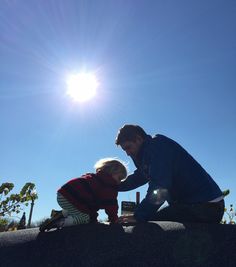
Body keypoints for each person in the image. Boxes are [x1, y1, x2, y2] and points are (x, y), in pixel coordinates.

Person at [116, 124, 225, 224]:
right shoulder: (149, 154)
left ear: (138, 139)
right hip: (195, 205)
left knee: (148, 224)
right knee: (151, 219)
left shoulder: (157, 146)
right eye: (124, 150)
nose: (127, 153)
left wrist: (139, 216)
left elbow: (160, 186)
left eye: (128, 147)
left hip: (206, 207)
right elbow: (139, 177)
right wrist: (111, 185)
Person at [40, 158, 127, 232]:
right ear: (111, 171)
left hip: (64, 194)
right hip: (71, 197)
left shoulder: (96, 178)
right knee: (84, 218)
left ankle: (62, 214)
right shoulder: (108, 185)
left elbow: (89, 206)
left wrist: (93, 219)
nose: (119, 182)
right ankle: (58, 222)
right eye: (119, 178)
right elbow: (111, 205)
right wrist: (114, 220)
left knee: (81, 212)